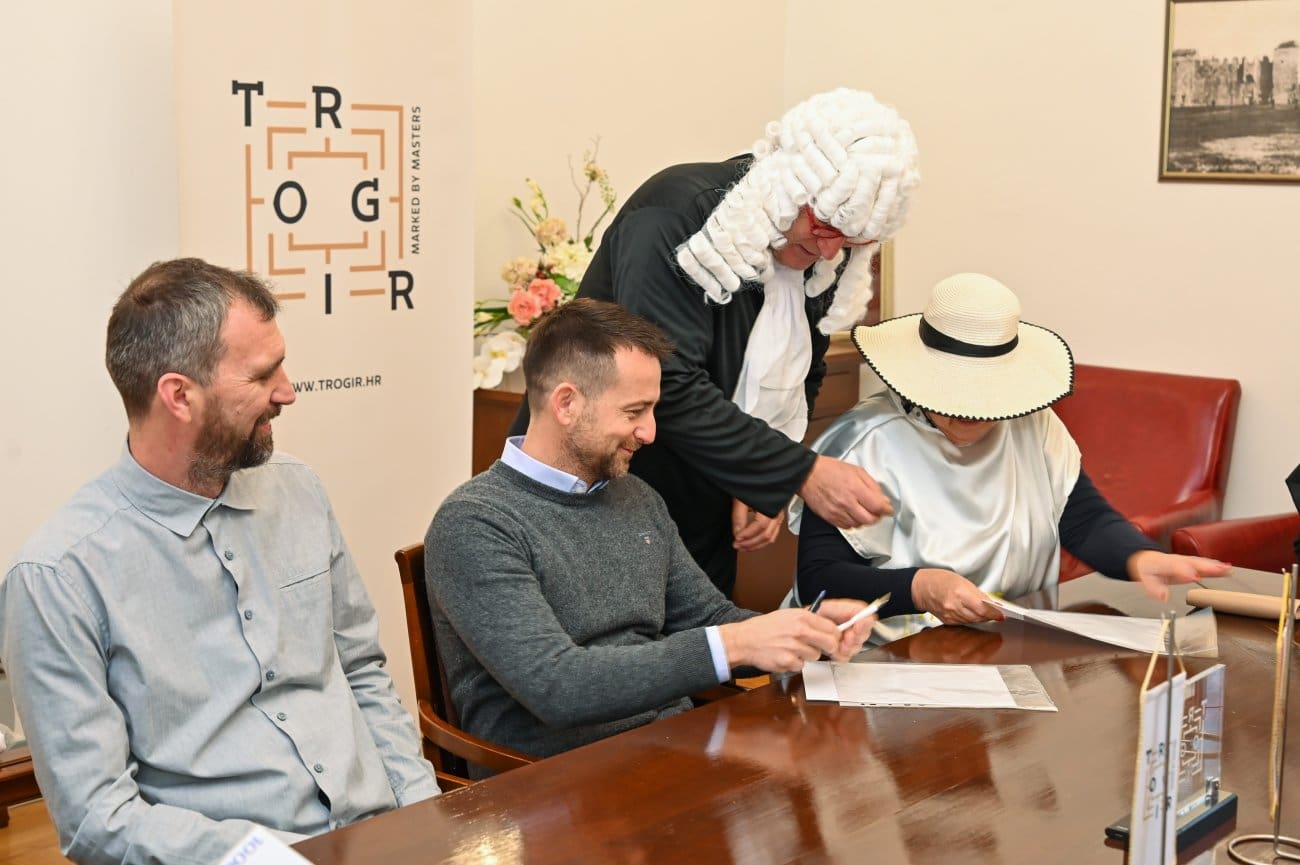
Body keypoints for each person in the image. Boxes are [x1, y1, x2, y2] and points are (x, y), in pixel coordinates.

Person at [0, 259, 438, 864]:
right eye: (262, 375)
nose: (287, 391)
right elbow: (97, 818)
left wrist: (425, 818)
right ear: (179, 395)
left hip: (382, 839)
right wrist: (281, 859)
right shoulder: (57, 578)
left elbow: (361, 671)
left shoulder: (298, 490)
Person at [426, 299, 876, 769]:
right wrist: (738, 643)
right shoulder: (475, 523)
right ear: (566, 403)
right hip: (550, 784)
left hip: (672, 752)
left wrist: (806, 629)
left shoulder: (635, 496)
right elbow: (558, 688)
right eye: (634, 411)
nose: (650, 432)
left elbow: (708, 617)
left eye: (653, 409)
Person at [511, 88, 922, 597]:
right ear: (787, 183)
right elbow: (669, 382)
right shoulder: (675, 215)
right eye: (822, 225)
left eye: (852, 240)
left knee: (705, 638)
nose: (828, 249)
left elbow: (805, 372)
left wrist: (757, 477)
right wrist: (793, 472)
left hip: (705, 501)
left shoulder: (820, 249)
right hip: (597, 495)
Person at [792, 272, 1230, 643]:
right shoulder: (865, 441)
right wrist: (920, 587)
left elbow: (1082, 520)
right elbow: (819, 579)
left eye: (985, 395)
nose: (968, 411)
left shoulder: (1033, 425)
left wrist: (1138, 558)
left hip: (1005, 647)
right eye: (950, 391)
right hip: (883, 658)